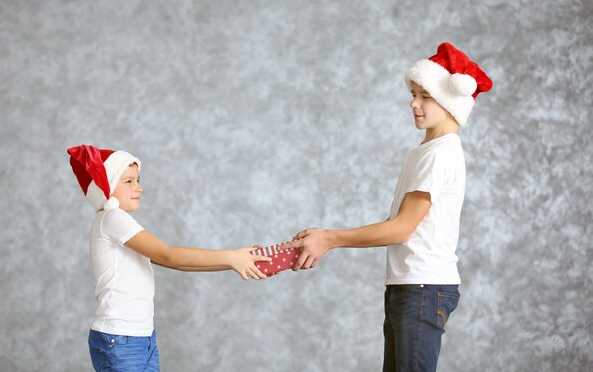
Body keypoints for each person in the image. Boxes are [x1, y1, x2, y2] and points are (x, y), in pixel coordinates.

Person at [281, 42, 493, 372]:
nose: (413, 103)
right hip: (409, 286)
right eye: (413, 93)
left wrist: (329, 239)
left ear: (450, 99)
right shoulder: (424, 153)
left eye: (425, 96)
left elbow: (401, 228)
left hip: (423, 289)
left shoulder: (440, 154)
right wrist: (323, 239)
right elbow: (399, 224)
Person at [67, 145, 271, 372]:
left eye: (138, 180)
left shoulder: (118, 223)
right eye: (128, 181)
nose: (139, 187)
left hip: (139, 336)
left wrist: (233, 261)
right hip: (121, 338)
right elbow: (168, 254)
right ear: (107, 188)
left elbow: (175, 262)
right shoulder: (112, 218)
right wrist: (231, 257)